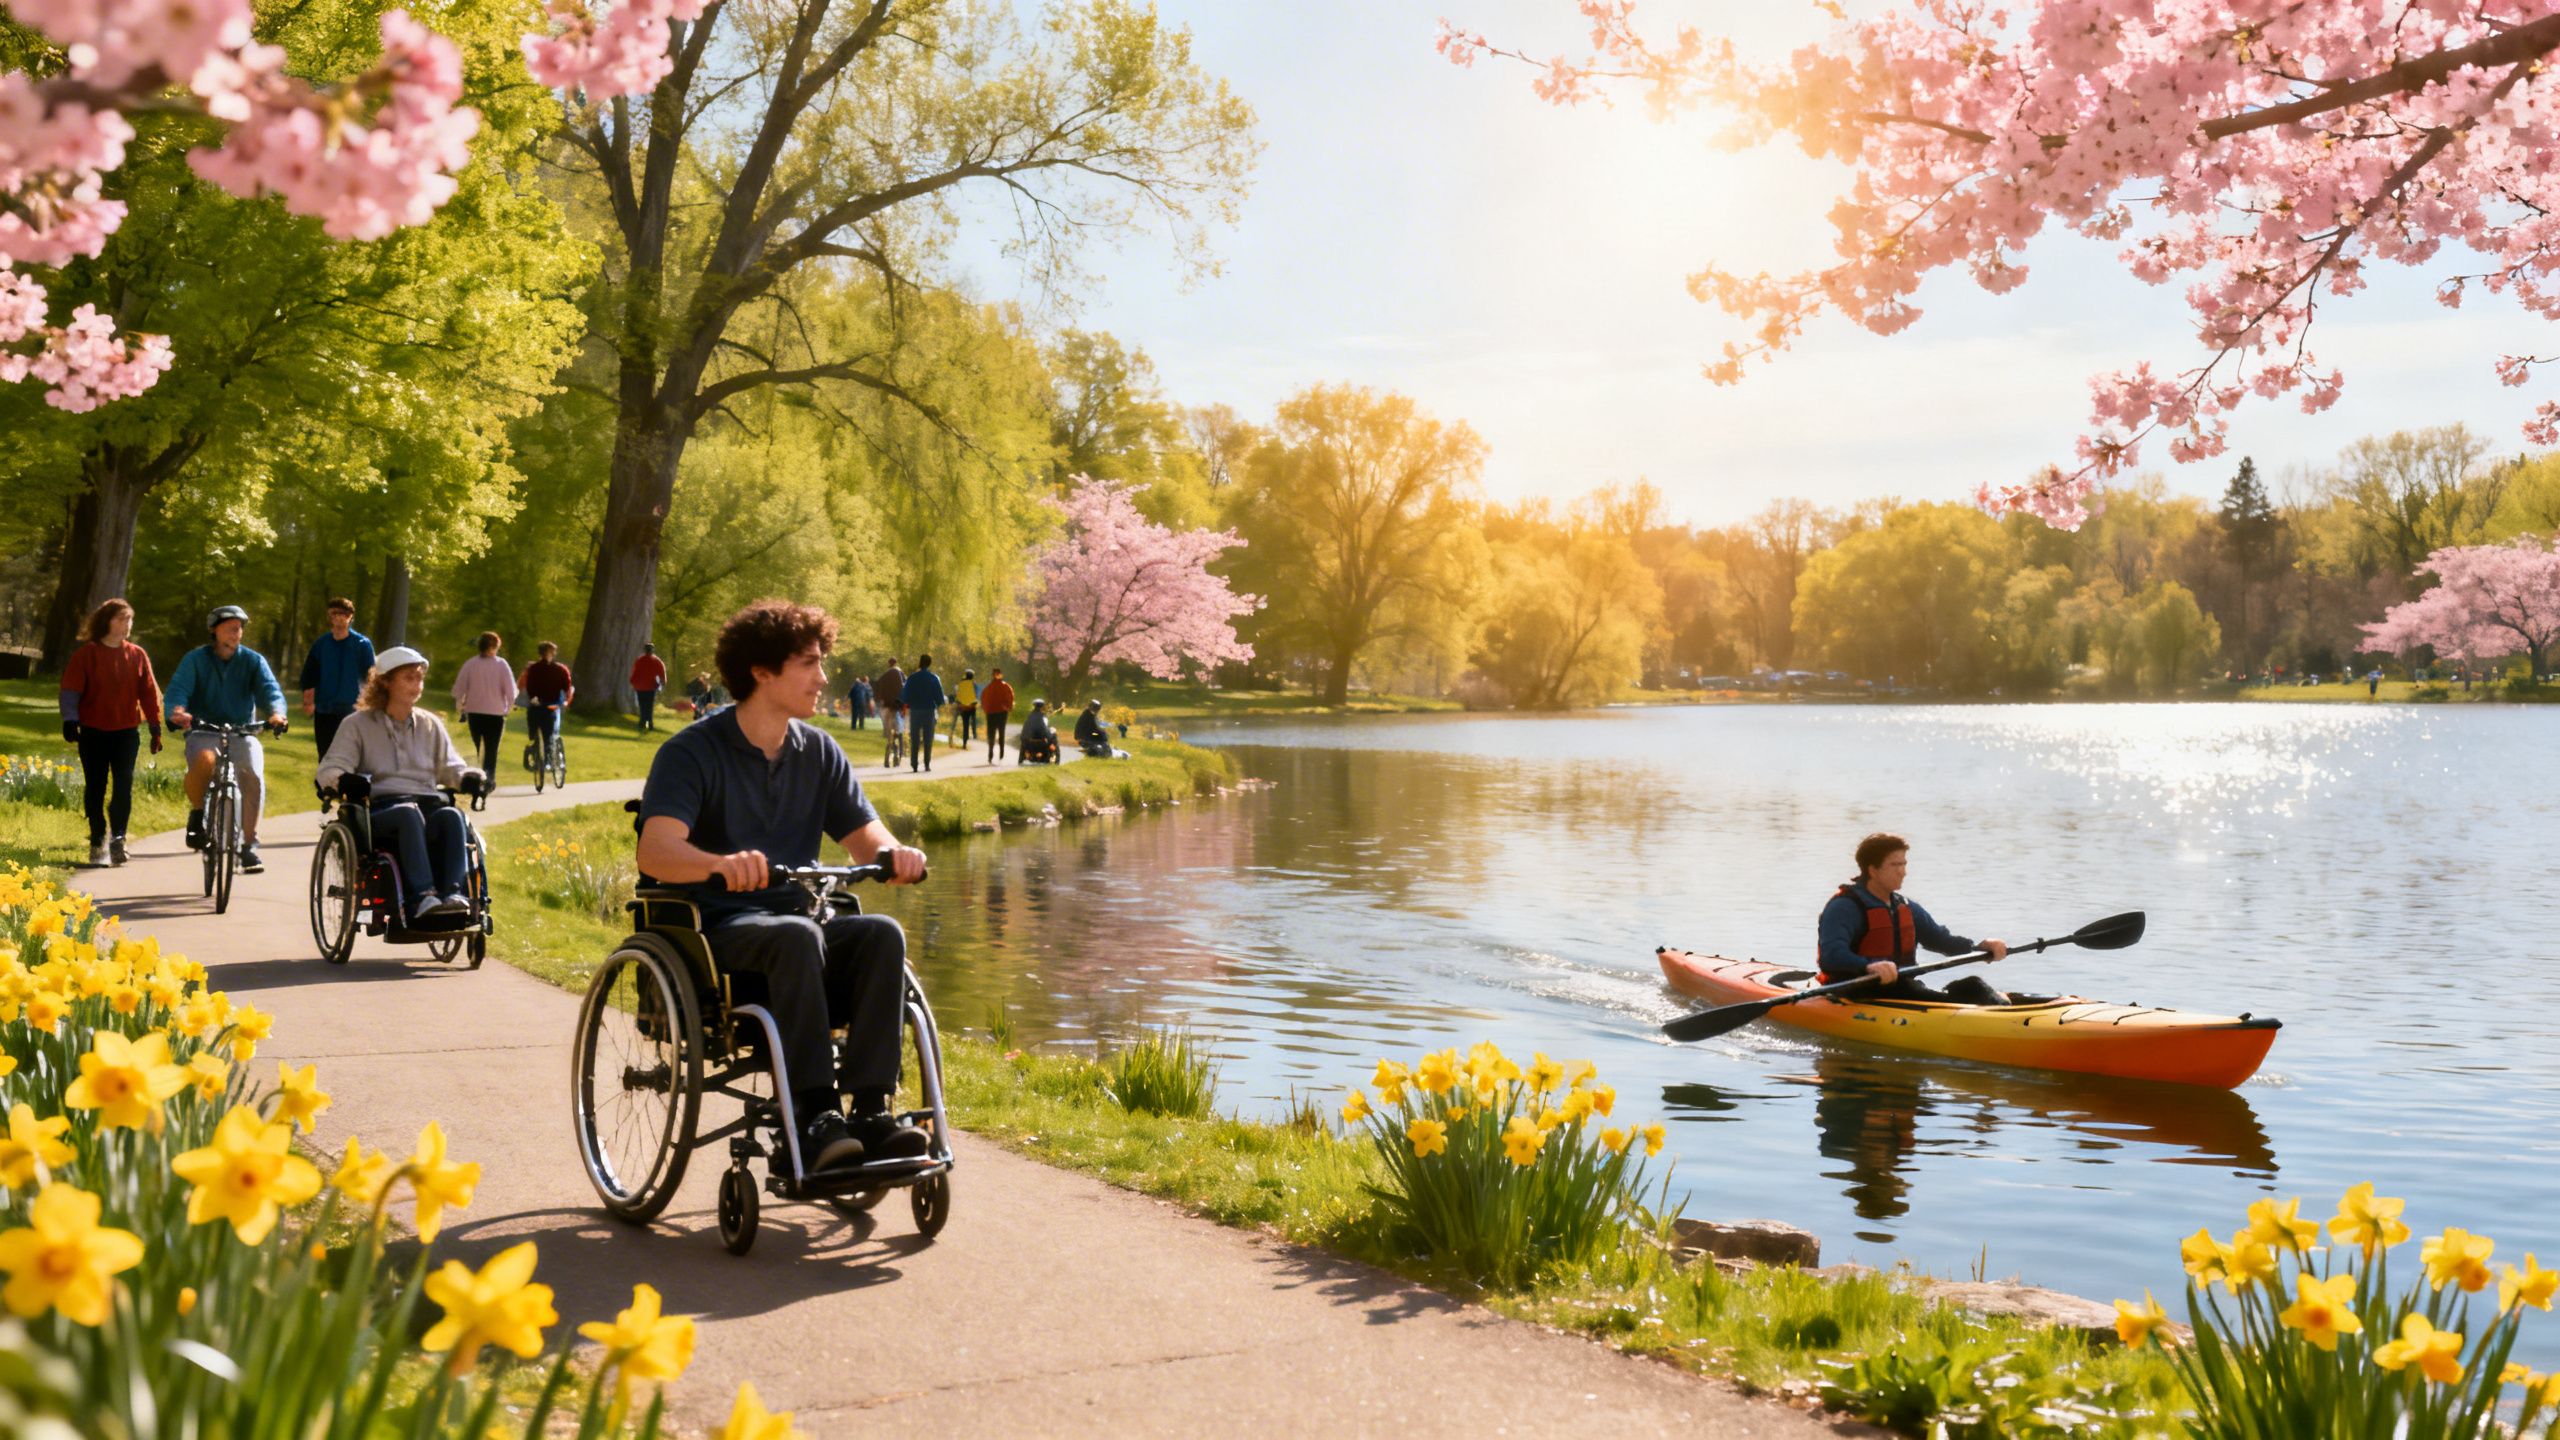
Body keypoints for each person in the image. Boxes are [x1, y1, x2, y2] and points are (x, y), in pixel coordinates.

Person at [635, 599, 932, 1172]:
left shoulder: (818, 751)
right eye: (810, 664)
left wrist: (895, 854)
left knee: (880, 934)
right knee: (797, 935)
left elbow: (865, 836)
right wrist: (720, 864)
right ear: (762, 671)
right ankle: (816, 1116)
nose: (824, 679)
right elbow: (656, 849)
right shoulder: (691, 752)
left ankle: (870, 1111)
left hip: (801, 928)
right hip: (720, 934)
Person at [318, 647, 487, 925]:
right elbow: (330, 768)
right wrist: (344, 780)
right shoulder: (357, 725)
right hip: (381, 811)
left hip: (427, 804)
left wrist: (469, 777)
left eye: (419, 678)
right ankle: (421, 897)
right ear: (385, 681)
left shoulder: (430, 724)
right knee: (407, 813)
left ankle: (454, 896)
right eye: (409, 678)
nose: (417, 685)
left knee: (452, 815)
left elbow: (450, 767)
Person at [164, 604, 289, 874]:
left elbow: (271, 691)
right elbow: (178, 689)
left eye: (240, 627)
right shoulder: (196, 659)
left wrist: (278, 713)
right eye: (230, 626)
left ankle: (249, 847)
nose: (237, 631)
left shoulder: (253, 661)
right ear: (214, 630)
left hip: (242, 731)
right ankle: (198, 813)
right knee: (204, 760)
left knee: (252, 774)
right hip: (203, 729)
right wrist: (177, 712)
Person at [1816, 833, 2010, 1005]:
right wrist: (1867, 966)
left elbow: (1941, 941)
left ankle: (2002, 1012)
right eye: (1895, 865)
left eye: (1904, 864)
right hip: (1856, 993)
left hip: (1903, 989)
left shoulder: (1907, 907)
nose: (1903, 872)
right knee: (1973, 988)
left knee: (1972, 986)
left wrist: (1979, 947)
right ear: (1873, 870)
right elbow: (1831, 956)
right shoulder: (1844, 907)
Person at [58, 598, 162, 867]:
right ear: (106, 621)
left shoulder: (137, 654)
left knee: (123, 786)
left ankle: (118, 838)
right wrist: (70, 719)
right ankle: (97, 837)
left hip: (126, 731)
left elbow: (149, 692)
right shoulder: (87, 654)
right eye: (121, 619)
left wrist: (154, 725)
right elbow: (71, 689)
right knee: (95, 787)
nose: (127, 625)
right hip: (93, 732)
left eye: (130, 620)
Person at [298, 597, 374, 759]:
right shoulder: (321, 644)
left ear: (350, 616)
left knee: (349, 753)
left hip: (351, 708)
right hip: (324, 708)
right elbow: (309, 675)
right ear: (329, 616)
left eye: (343, 614)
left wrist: (369, 705)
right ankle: (327, 784)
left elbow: (371, 677)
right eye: (334, 613)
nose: (339, 617)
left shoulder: (361, 644)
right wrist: (308, 701)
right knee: (325, 754)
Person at [451, 631, 517, 779]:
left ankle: (474, 778)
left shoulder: (470, 664)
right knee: (491, 749)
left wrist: (459, 704)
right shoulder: (501, 665)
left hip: (475, 711)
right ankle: (489, 778)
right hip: (496, 713)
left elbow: (460, 686)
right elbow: (510, 689)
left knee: (476, 747)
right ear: (494, 646)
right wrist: (510, 705)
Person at [521, 642, 574, 767]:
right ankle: (546, 757)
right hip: (551, 704)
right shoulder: (560, 669)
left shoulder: (533, 669)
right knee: (550, 731)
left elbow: (530, 687)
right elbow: (567, 687)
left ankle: (536, 747)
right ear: (553, 653)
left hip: (538, 704)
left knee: (537, 727)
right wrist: (566, 701)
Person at [901, 653, 947, 773]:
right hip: (929, 711)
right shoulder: (934, 678)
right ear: (929, 663)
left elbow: (904, 696)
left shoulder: (912, 678)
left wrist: (909, 702)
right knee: (928, 738)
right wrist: (939, 703)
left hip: (915, 710)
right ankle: (927, 764)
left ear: (920, 662)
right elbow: (940, 698)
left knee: (915, 738)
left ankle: (914, 764)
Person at [873, 657, 906, 764]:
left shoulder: (884, 675)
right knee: (898, 732)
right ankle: (897, 755)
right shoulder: (899, 673)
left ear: (888, 663)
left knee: (889, 734)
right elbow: (904, 688)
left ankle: (887, 757)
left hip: (886, 706)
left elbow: (877, 685)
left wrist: (879, 700)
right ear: (896, 663)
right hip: (896, 707)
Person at [631, 643, 668, 732]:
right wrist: (662, 683)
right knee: (649, 705)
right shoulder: (656, 661)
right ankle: (650, 722)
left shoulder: (640, 660)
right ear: (652, 650)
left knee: (642, 704)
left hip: (640, 686)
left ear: (645, 650)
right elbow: (662, 674)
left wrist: (633, 682)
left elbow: (635, 673)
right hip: (651, 686)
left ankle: (642, 722)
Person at [981, 668, 1015, 761]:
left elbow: (984, 700)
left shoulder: (988, 688)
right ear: (1000, 675)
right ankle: (1001, 751)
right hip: (1002, 712)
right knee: (1001, 732)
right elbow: (1010, 698)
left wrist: (985, 709)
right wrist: (1009, 707)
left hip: (991, 712)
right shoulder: (1006, 686)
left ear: (992, 675)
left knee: (991, 733)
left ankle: (990, 751)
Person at [1017, 698, 1060, 764]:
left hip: (1027, 744)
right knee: (1053, 734)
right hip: (1040, 744)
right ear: (1042, 707)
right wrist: (1050, 741)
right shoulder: (1042, 718)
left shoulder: (1029, 717)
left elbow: (1024, 732)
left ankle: (1023, 757)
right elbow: (1045, 732)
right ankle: (1055, 758)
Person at [954, 668, 979, 747]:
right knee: (974, 719)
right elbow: (975, 695)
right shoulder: (974, 684)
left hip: (964, 707)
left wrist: (959, 704)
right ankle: (974, 733)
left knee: (965, 725)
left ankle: (965, 742)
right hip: (971, 706)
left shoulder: (961, 683)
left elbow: (958, 695)